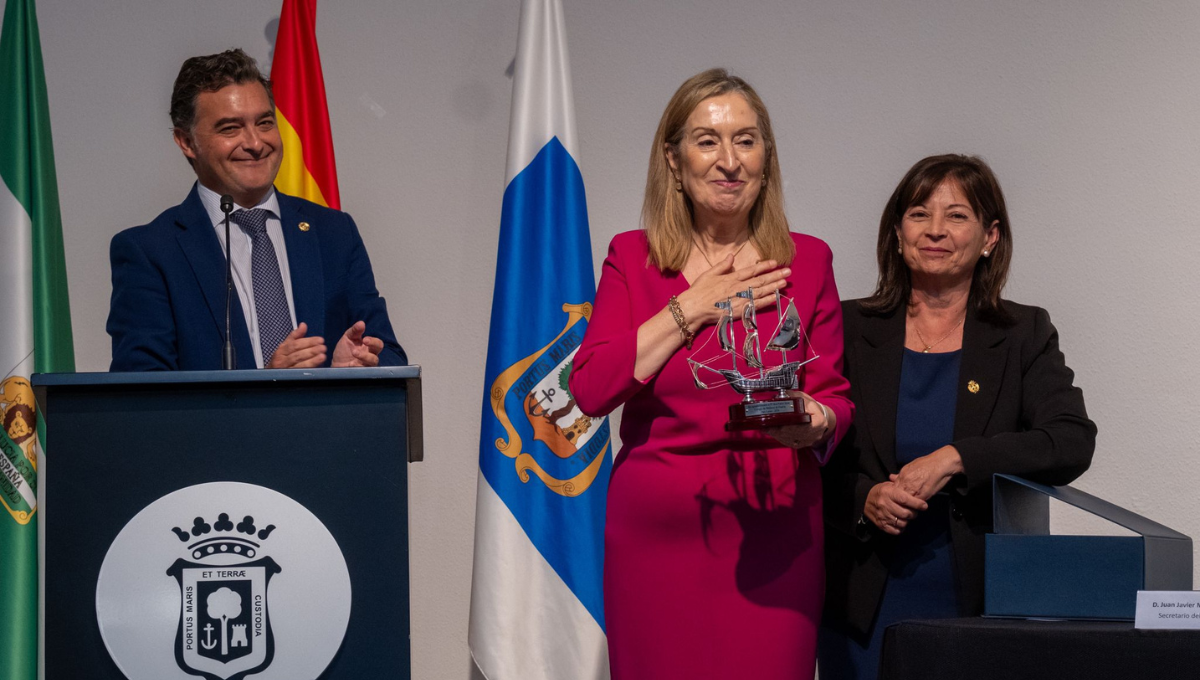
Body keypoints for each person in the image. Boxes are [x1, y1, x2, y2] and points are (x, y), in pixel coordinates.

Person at [568, 69, 853, 680]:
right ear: (673, 160)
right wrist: (689, 307)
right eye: (707, 141)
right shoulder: (632, 255)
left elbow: (833, 397)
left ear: (766, 155)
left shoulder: (809, 259)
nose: (729, 161)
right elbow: (591, 389)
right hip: (657, 535)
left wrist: (817, 420)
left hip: (776, 536)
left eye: (746, 141)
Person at [818, 154, 1096, 678]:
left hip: (982, 604)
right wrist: (864, 498)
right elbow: (807, 453)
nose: (936, 230)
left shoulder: (1022, 333)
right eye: (919, 214)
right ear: (897, 233)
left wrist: (956, 458)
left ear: (990, 236)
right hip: (860, 602)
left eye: (957, 215)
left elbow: (1070, 440)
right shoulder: (848, 326)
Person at [107, 49, 404, 371]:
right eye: (230, 128)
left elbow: (388, 354)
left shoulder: (333, 232)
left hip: (333, 422)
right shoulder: (150, 252)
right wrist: (266, 386)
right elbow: (141, 397)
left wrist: (356, 368)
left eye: (264, 123)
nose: (255, 143)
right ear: (187, 142)